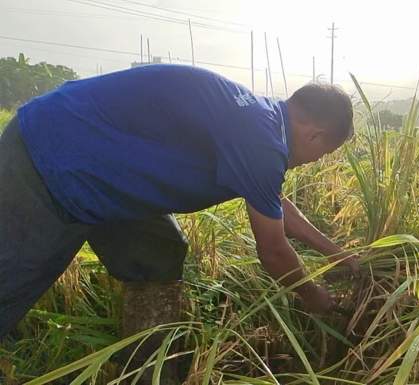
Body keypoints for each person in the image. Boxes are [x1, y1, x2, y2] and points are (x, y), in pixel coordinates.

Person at [0, 64, 359, 373]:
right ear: (316, 135)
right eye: (321, 153)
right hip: (49, 156)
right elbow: (273, 251)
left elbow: (274, 205)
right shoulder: (261, 140)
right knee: (13, 278)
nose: (312, 161)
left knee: (157, 254)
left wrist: (338, 255)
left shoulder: (259, 122)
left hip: (105, 168)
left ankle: (147, 372)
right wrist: (313, 296)